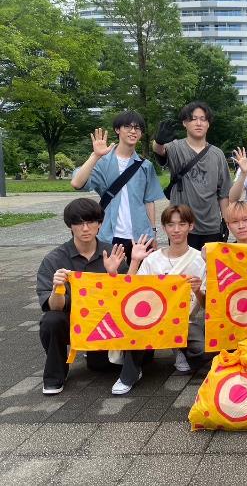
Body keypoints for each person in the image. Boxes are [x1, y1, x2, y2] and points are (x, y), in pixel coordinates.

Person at [37, 198, 128, 395]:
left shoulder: (112, 254)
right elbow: (54, 307)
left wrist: (113, 274)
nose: (85, 228)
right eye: (78, 223)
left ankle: (96, 352)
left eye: (91, 222)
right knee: (51, 320)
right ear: (70, 226)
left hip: (105, 320)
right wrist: (57, 287)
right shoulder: (54, 259)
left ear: (100, 224)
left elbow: (126, 298)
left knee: (100, 366)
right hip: (71, 320)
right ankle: (55, 375)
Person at [122, 205, 207, 392]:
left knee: (203, 351)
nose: (176, 230)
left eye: (182, 224)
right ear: (164, 228)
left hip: (184, 321)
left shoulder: (200, 260)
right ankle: (128, 375)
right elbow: (129, 292)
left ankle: (181, 349)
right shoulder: (152, 259)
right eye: (171, 225)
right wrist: (135, 261)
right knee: (134, 334)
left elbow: (207, 305)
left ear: (191, 226)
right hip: (151, 320)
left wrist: (198, 291)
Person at [71, 111, 164, 262]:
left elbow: (149, 201)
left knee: (141, 276)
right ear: (117, 129)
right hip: (109, 235)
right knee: (112, 275)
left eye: (137, 128)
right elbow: (77, 183)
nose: (133, 131)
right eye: (127, 127)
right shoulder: (103, 162)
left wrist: (152, 233)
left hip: (140, 236)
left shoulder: (145, 166)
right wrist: (95, 156)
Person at [153, 101, 232, 251]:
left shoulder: (218, 154)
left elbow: (223, 193)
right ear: (185, 123)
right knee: (181, 265)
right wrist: (158, 142)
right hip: (181, 226)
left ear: (208, 124)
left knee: (209, 265)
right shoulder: (175, 148)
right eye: (193, 119)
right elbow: (159, 151)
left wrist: (225, 221)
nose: (199, 123)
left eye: (203, 119)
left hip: (211, 226)